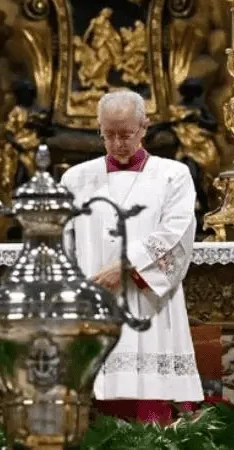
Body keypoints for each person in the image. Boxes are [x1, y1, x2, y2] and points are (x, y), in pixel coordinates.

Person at [61, 89, 201, 424]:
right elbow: (62, 241)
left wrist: (126, 267)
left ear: (144, 127)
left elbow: (176, 233)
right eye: (109, 134)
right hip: (95, 304)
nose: (118, 143)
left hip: (150, 304)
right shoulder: (75, 179)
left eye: (126, 134)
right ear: (99, 129)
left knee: (150, 411)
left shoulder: (173, 175)